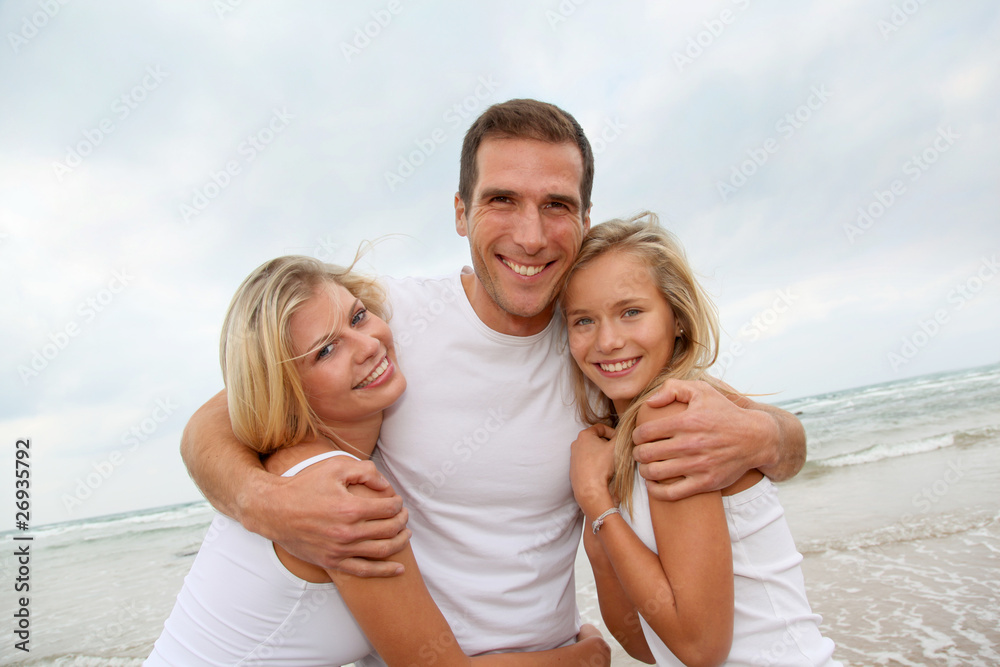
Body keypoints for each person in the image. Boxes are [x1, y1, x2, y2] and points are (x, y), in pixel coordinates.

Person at [180, 99, 808, 658]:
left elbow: (752, 425)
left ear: (584, 219)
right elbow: (222, 418)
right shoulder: (382, 324)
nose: (530, 237)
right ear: (460, 211)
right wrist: (270, 506)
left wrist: (767, 438)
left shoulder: (596, 341)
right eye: (502, 199)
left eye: (556, 205)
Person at [147, 255, 610, 665]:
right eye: (326, 350)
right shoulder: (338, 492)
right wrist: (585, 656)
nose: (367, 345)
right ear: (286, 391)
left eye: (359, 317)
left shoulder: (306, 458)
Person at [564, 212, 840, 666]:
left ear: (677, 318)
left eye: (631, 311)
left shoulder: (675, 420)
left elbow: (700, 648)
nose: (608, 340)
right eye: (583, 321)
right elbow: (646, 643)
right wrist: (600, 525)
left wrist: (596, 502)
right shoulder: (620, 442)